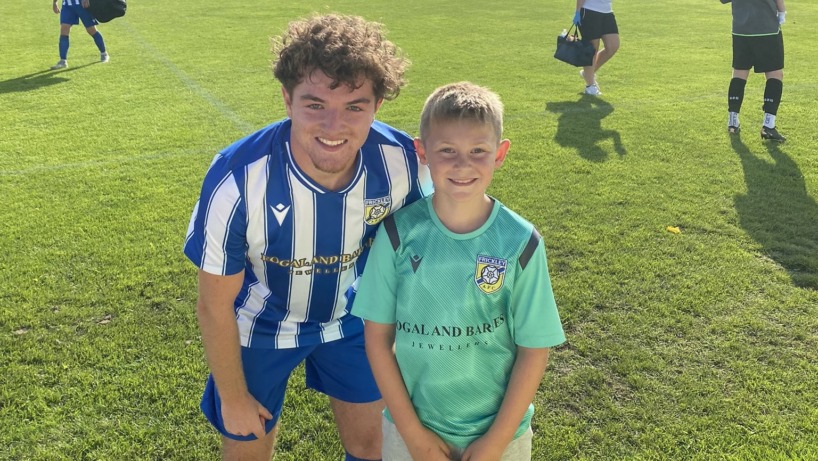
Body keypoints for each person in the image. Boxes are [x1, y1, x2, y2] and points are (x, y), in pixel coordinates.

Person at [183, 14, 430, 461]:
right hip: (258, 326)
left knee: (371, 446)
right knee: (245, 452)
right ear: (286, 99)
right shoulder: (238, 179)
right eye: (315, 104)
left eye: (355, 106)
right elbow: (213, 303)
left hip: (352, 320)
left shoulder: (401, 162)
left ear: (377, 105)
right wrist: (233, 398)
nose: (334, 126)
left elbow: (423, 250)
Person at [354, 82, 567, 461]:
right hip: (411, 431)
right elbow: (377, 341)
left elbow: (534, 348)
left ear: (500, 154)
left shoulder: (521, 242)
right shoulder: (396, 234)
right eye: (447, 150)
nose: (462, 165)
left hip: (500, 435)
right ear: (422, 152)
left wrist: (496, 442)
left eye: (478, 151)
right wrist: (414, 437)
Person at [722, 0, 788, 141]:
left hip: (741, 30)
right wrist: (782, 11)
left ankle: (733, 121)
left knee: (739, 72)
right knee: (775, 73)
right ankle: (768, 126)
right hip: (766, 28)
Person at [572, 0, 620, 96]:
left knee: (613, 46)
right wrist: (577, 11)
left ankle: (587, 74)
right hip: (589, 11)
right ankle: (590, 86)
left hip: (607, 12)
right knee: (592, 49)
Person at [51, 0, 109, 70]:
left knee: (91, 30)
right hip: (67, 5)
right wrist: (55, 2)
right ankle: (63, 61)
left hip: (82, 4)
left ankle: (104, 53)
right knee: (64, 31)